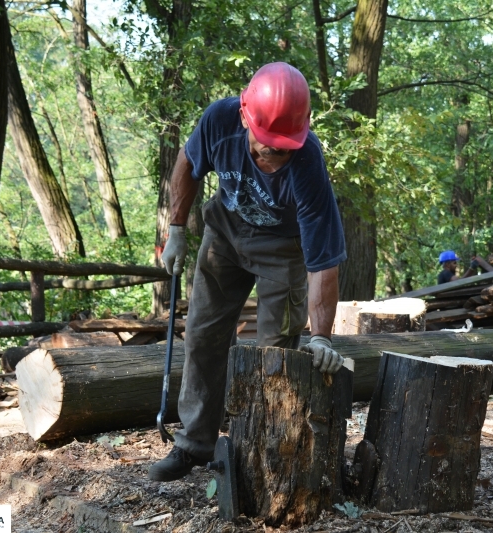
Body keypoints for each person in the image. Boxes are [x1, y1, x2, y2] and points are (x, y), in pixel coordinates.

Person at [149, 62, 347, 482]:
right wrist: (177, 228)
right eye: (265, 146)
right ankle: (195, 444)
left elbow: (322, 262)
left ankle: (253, 454)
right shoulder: (219, 121)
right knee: (203, 333)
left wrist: (322, 335)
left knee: (273, 354)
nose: (274, 156)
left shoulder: (309, 164)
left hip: (284, 248)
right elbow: (187, 162)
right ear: (244, 116)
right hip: (225, 231)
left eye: (283, 148)